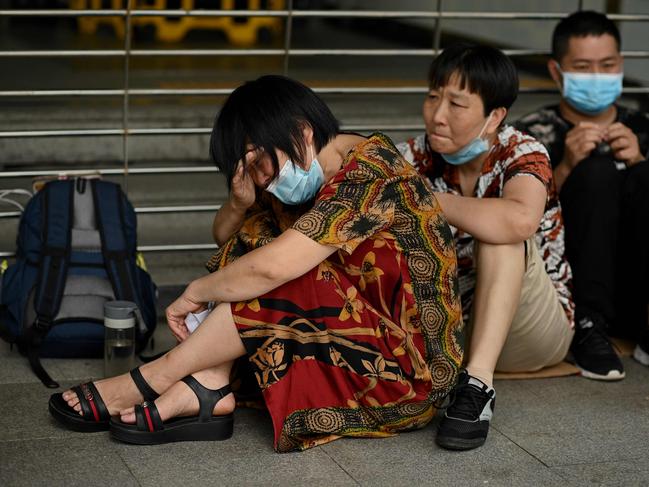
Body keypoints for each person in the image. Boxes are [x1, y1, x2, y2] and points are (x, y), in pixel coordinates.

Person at [48, 75, 464, 453]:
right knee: (257, 241)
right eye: (246, 168)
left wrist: (194, 292)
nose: (261, 179)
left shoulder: (372, 170)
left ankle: (156, 378)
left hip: (409, 372)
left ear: (301, 131)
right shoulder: (301, 174)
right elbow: (229, 240)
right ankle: (208, 385)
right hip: (358, 337)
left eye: (257, 162)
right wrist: (239, 202)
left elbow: (272, 269)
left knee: (286, 270)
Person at [398, 44, 575, 451]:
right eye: (432, 97)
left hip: (533, 329)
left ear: (495, 116)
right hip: (453, 324)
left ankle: (477, 387)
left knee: (501, 234)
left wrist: (433, 202)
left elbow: (519, 220)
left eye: (456, 104)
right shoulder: (413, 156)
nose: (437, 115)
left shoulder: (522, 151)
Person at [515, 10, 649, 380]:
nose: (596, 77)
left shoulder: (641, 128)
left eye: (607, 65)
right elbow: (516, 214)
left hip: (633, 282)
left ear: (620, 65)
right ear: (557, 72)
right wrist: (567, 166)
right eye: (583, 67)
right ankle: (589, 327)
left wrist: (638, 163)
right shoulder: (532, 134)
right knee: (596, 172)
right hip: (572, 282)